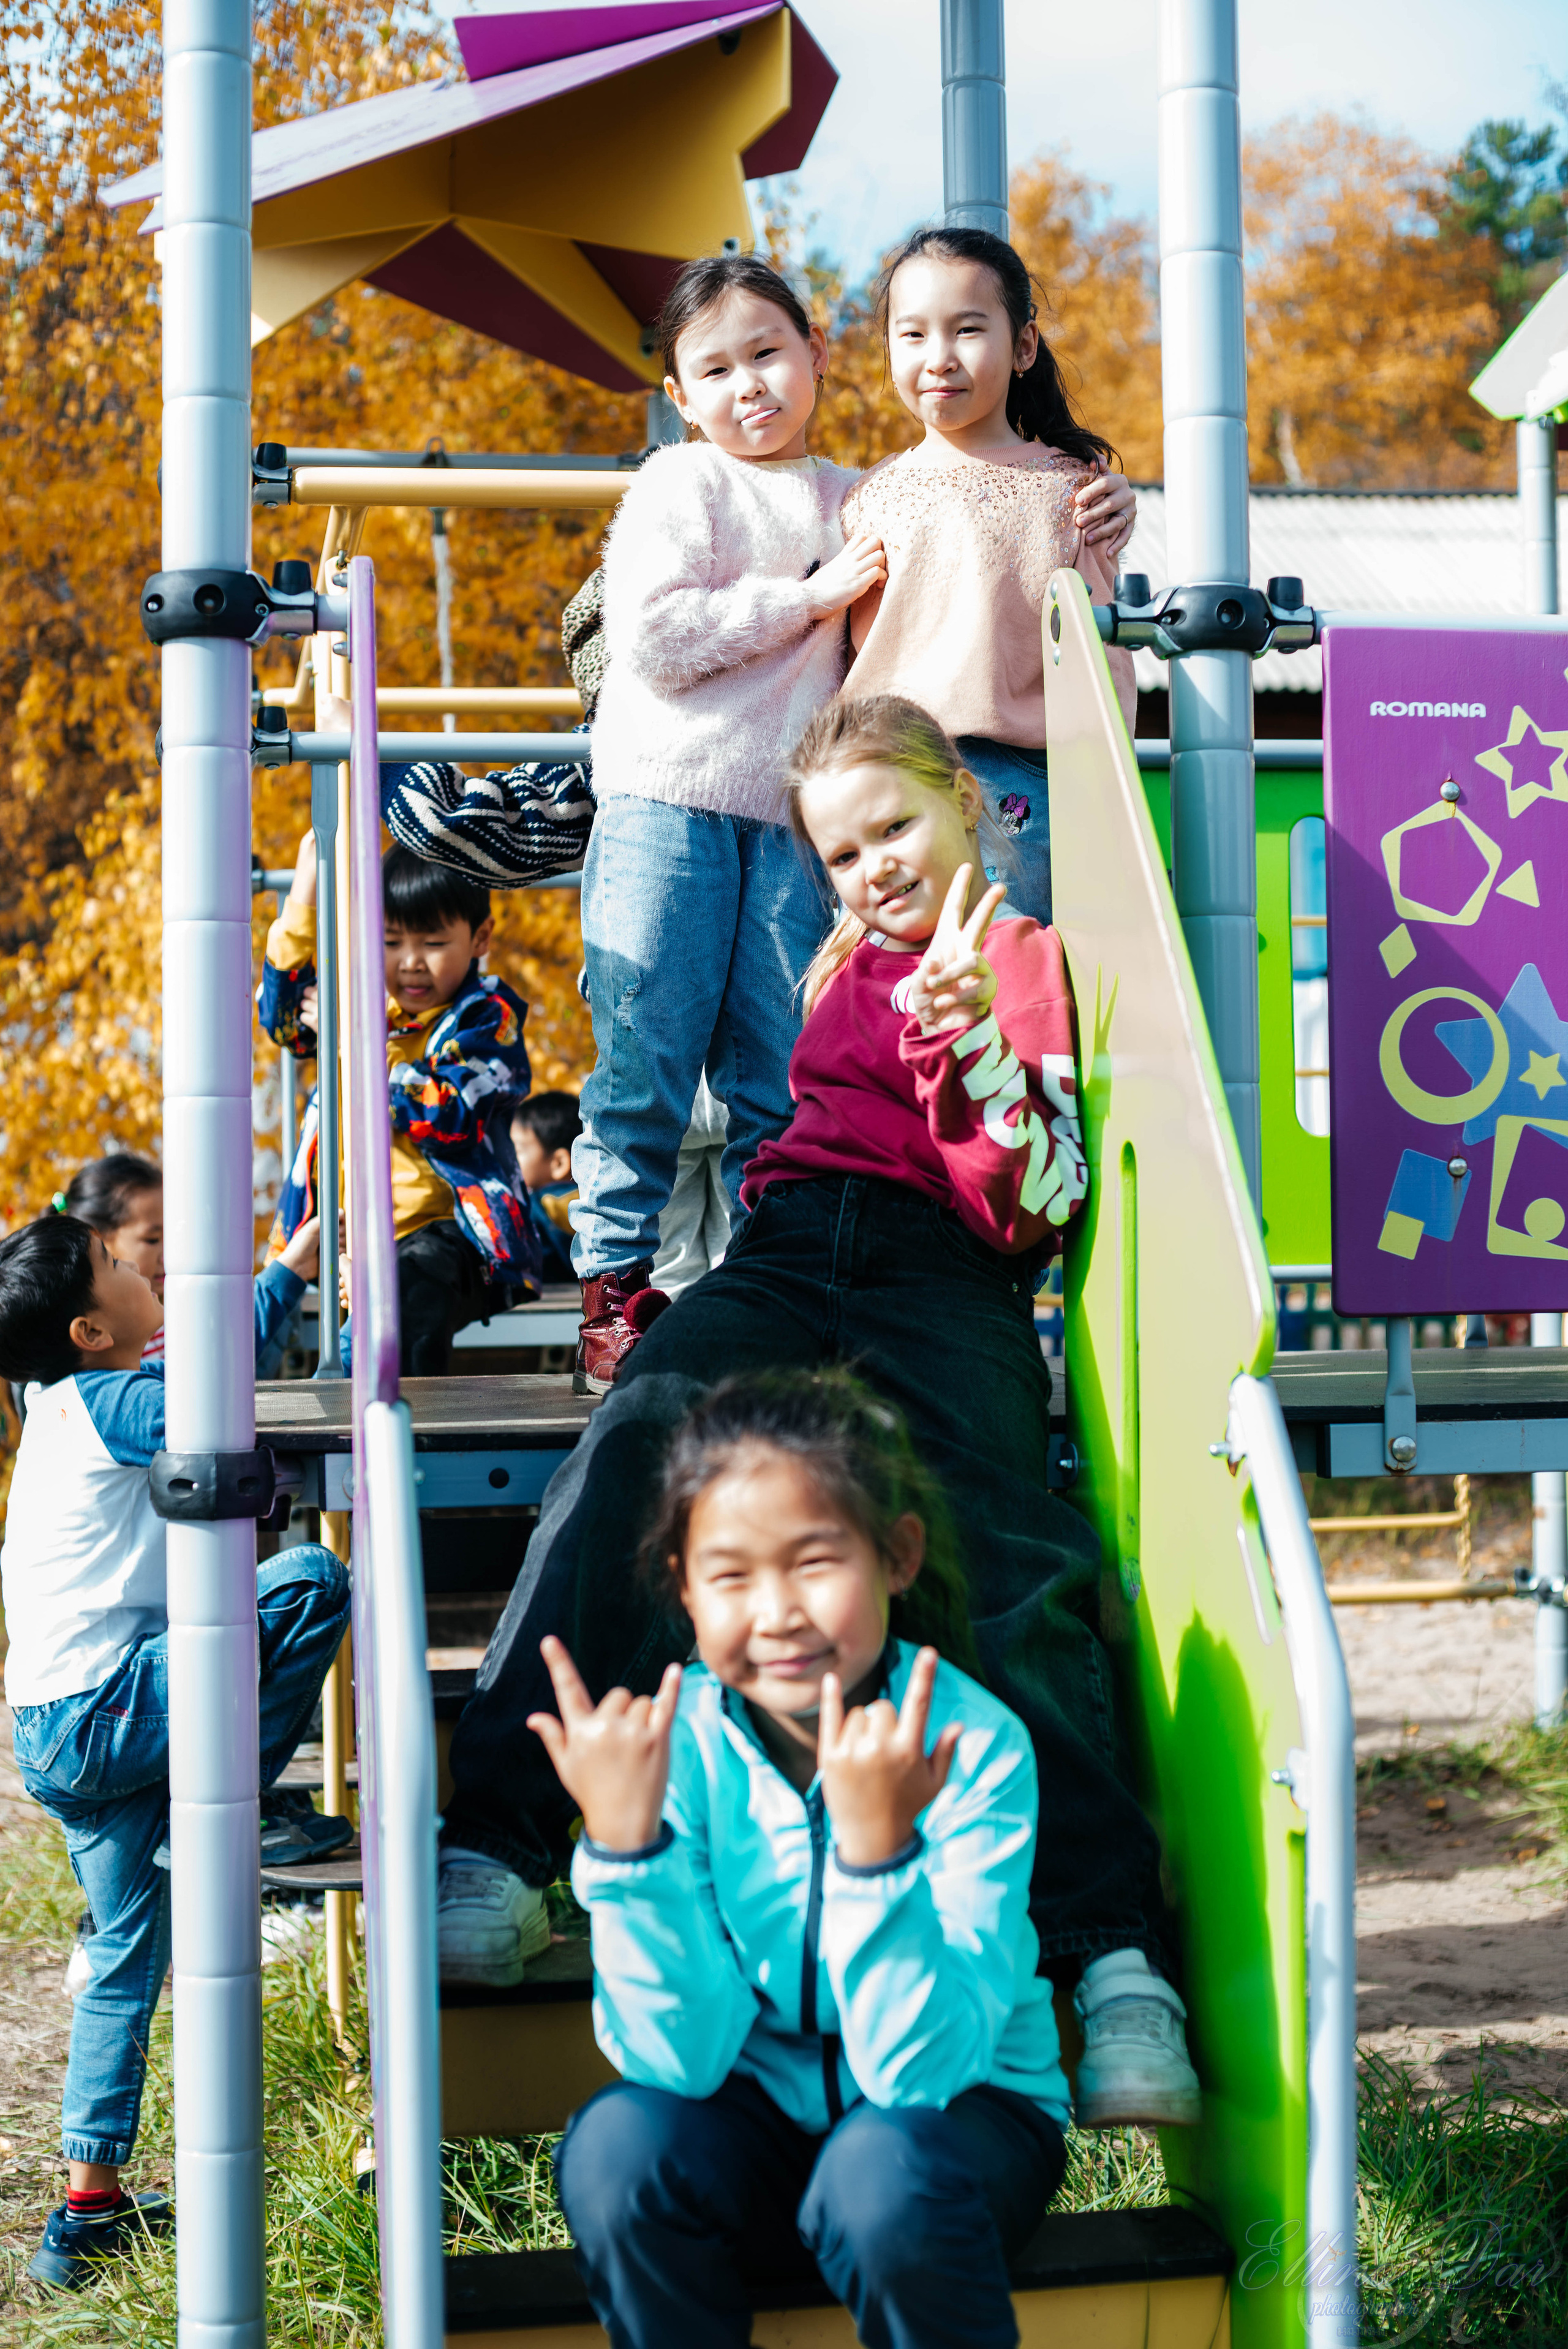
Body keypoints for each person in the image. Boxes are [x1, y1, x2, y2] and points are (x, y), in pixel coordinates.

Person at [437, 696, 1199, 2130]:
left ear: (969, 806)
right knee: (640, 1436)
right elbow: (809, 1122)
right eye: (840, 851)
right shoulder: (845, 960)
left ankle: (1106, 1954)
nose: (872, 865)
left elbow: (1035, 1192)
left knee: (1003, 1540)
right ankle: (495, 1832)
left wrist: (974, 1043)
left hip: (942, 1270)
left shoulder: (1022, 962)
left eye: (893, 826)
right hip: (786, 1248)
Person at [545, 1369, 1071, 2349]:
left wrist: (878, 1858)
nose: (778, 1611)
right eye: (733, 1575)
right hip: (747, 2123)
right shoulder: (680, 1749)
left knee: (880, 2176)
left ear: (897, 1555)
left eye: (815, 1560)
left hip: (952, 2128)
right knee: (618, 2145)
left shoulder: (972, 1744)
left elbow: (924, 2075)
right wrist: (629, 1848)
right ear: (684, 1588)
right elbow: (677, 2060)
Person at [0, 1214, 352, 2291]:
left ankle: (83, 2215)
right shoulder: (113, 1404)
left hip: (53, 1727)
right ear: (88, 1330)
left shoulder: (61, 1402)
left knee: (121, 1960)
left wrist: (287, 1272)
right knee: (308, 1588)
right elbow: (220, 1409)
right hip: (106, 1709)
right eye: (116, 1266)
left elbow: (201, 1375)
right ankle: (240, 1809)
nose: (138, 1266)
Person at [563, 249, 880, 1395]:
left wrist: (1095, 490)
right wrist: (813, 595)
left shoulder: (855, 494)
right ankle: (610, 1295)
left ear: (816, 357)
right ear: (681, 397)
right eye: (717, 369)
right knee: (645, 1053)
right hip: (667, 802)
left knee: (782, 1070)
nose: (751, 385)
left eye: (769, 353)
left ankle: (767, 1290)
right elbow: (660, 639)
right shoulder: (680, 483)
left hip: (793, 823)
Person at [840, 225, 1139, 926]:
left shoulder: (1072, 494)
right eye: (912, 335)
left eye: (966, 330)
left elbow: (1102, 663)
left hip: (1018, 793)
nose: (938, 358)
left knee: (1006, 992)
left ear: (1024, 346)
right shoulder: (864, 497)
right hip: (882, 782)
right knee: (895, 1003)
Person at [258, 835, 538, 1376]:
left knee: (404, 1290)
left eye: (433, 943)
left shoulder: (487, 1017)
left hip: (447, 1233)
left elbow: (453, 1113)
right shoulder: (361, 1004)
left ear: (479, 938)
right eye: (389, 941)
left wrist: (360, 1052)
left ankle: (404, 1427)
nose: (410, 963)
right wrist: (304, 895)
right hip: (342, 1228)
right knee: (272, 1312)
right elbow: (285, 1020)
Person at [60, 1153, 318, 1379]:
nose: (170, 1253)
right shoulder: (113, 1355)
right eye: (152, 1240)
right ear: (98, 1244)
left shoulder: (165, 1316)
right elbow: (212, 1366)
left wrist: (297, 1268)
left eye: (173, 1235)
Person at [511, 1090, 582, 1284]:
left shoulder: (541, 1205)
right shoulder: (593, 1201)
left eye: (516, 1150)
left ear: (558, 1163)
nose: (507, 1158)